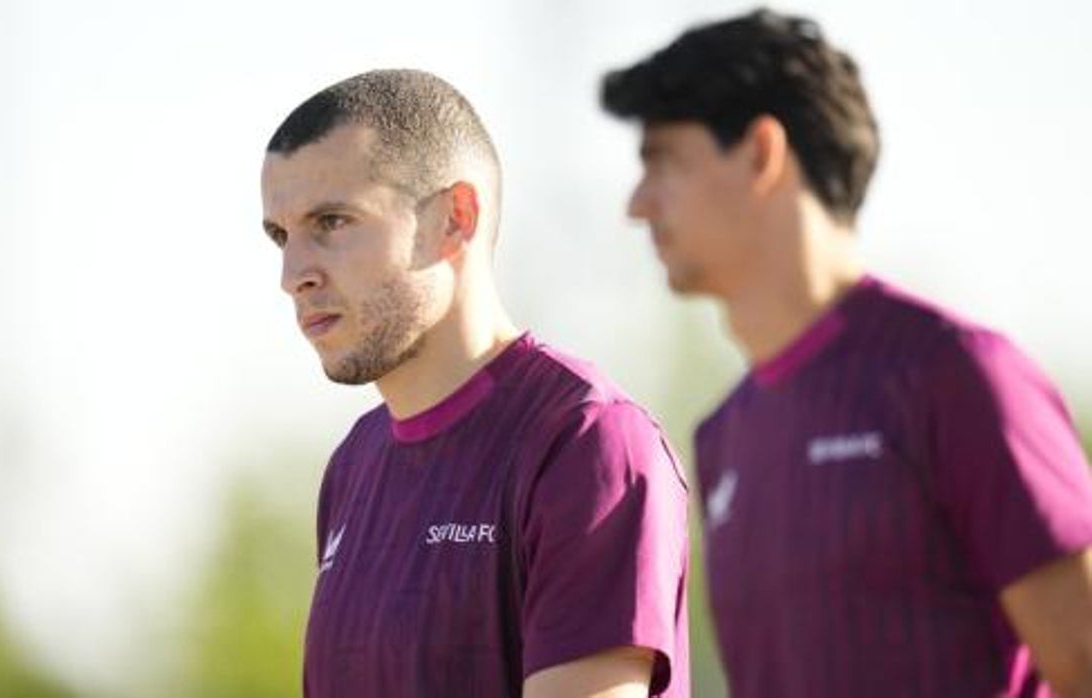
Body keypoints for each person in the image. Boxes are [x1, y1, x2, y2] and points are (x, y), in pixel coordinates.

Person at [601, 8, 1092, 698]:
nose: (637, 204)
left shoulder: (957, 374)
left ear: (761, 153)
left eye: (663, 162)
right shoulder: (722, 437)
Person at [261, 69, 689, 697]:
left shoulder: (589, 444)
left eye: (331, 221)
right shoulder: (353, 466)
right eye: (280, 235)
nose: (293, 273)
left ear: (454, 218)